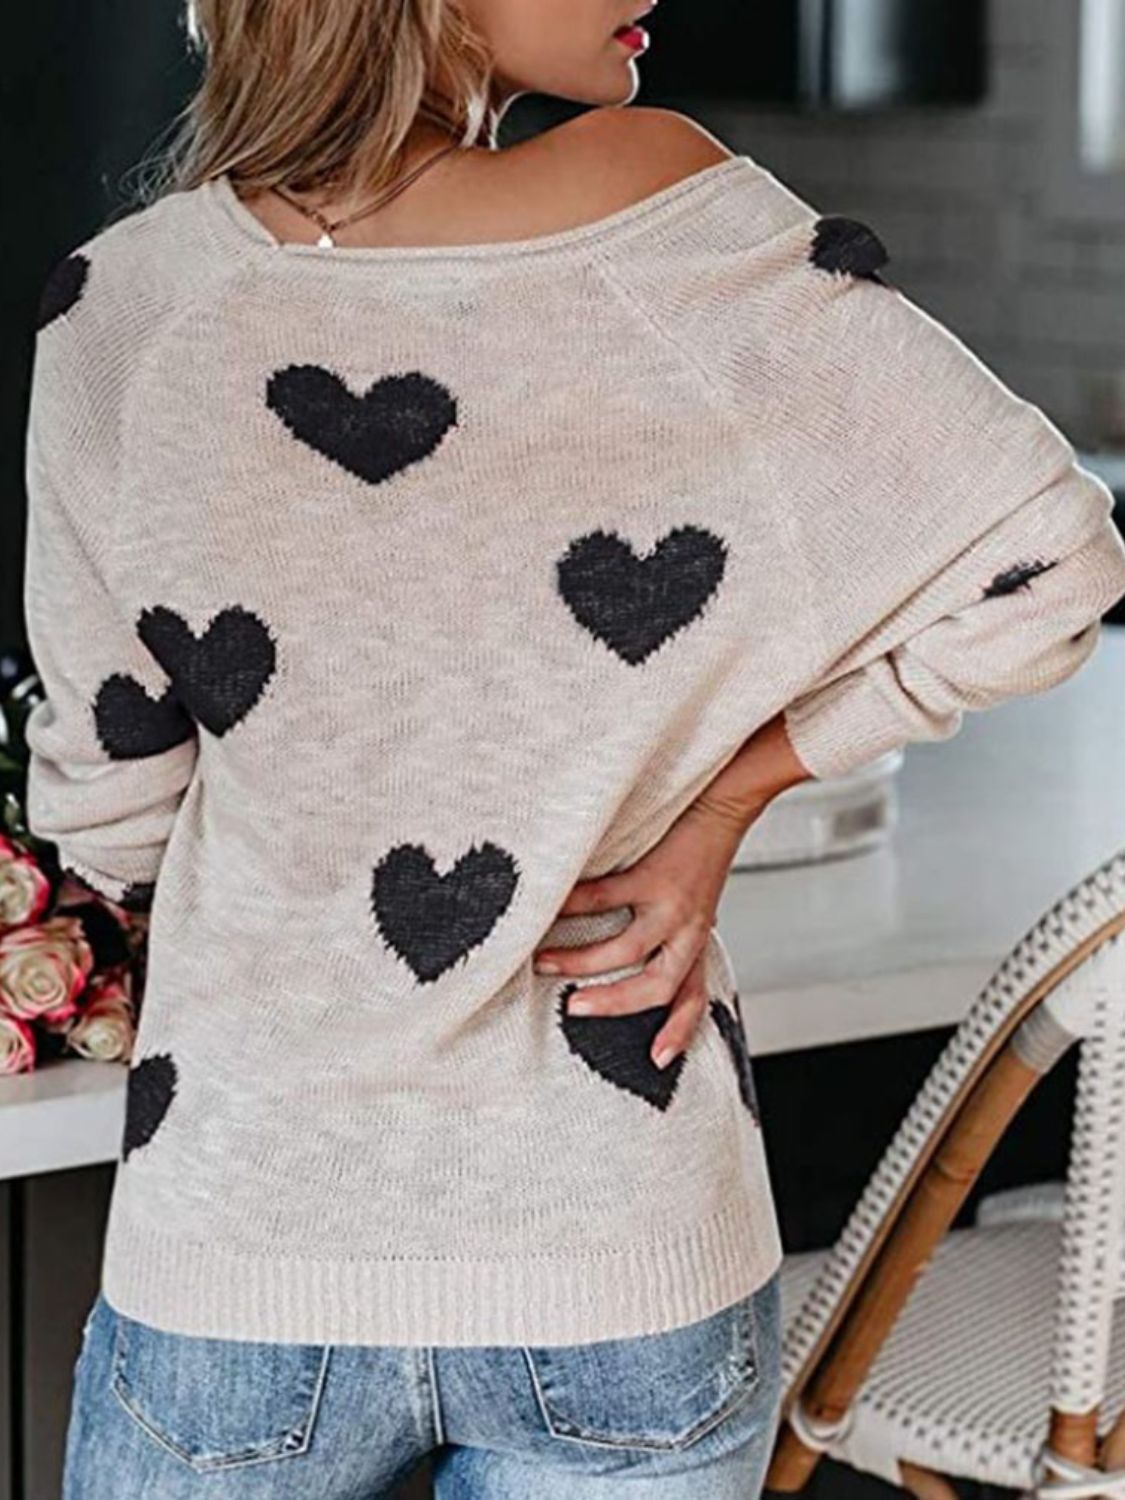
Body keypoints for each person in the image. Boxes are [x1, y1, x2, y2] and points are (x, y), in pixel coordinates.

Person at [25, 1, 1125, 1496]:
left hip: (246, 1237)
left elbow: (113, 814)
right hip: (619, 1248)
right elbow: (1049, 565)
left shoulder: (126, 306)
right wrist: (716, 803)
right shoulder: (673, 221)